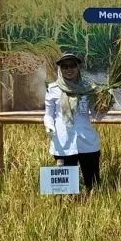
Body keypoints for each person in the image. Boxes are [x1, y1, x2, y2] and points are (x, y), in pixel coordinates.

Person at [44, 52, 104, 191]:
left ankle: (91, 202)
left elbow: (97, 115)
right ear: (60, 69)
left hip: (87, 142)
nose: (69, 69)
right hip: (63, 143)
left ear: (78, 68)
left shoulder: (88, 88)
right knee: (65, 188)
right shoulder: (53, 89)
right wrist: (49, 126)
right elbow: (48, 115)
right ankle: (69, 203)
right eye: (65, 66)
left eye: (72, 66)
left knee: (93, 185)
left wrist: (105, 104)